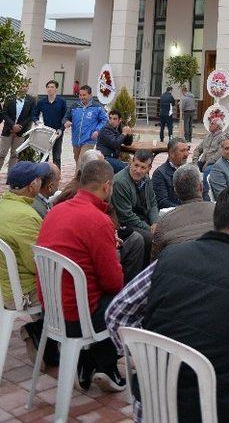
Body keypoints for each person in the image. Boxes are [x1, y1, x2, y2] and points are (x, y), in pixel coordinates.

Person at [106, 185, 229, 423]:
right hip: (210, 410)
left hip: (152, 403)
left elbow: (116, 312)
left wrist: (143, 357)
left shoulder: (170, 257)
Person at [37, 159, 126, 391]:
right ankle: (106, 364)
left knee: (99, 294)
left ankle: (89, 362)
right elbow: (113, 283)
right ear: (107, 186)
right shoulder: (98, 221)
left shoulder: (55, 211)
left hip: (51, 310)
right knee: (128, 301)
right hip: (77, 317)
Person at [54, 149, 146, 285]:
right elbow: (112, 283)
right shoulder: (78, 200)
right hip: (81, 294)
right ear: (106, 185)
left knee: (136, 238)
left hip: (54, 290)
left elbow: (111, 214)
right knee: (137, 241)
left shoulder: (59, 209)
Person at [0, 161, 49, 306]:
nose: (42, 182)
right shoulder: (27, 216)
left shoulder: (4, 205)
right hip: (22, 291)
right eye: (40, 179)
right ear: (32, 186)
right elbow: (37, 264)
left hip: (5, 285)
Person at [150, 164, 215, 261]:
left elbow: (155, 262)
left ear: (176, 191)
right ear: (201, 187)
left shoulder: (164, 222)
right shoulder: (221, 212)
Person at [111, 150, 159, 264]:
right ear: (131, 162)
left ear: (149, 168)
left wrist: (155, 223)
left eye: (143, 167)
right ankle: (144, 273)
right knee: (151, 239)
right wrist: (149, 229)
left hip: (142, 219)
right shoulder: (120, 182)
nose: (138, 170)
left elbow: (152, 203)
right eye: (136, 165)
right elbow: (126, 216)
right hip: (124, 224)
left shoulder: (146, 178)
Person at [64, 84, 109, 164]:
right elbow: (65, 118)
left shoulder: (97, 107)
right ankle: (83, 175)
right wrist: (66, 122)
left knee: (81, 161)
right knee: (78, 161)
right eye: (80, 95)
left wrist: (97, 131)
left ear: (90, 95)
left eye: (84, 95)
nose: (82, 97)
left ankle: (77, 176)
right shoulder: (74, 106)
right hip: (76, 141)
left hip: (89, 140)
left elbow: (104, 120)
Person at [0, 79, 36, 171]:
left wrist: (20, 127)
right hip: (8, 130)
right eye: (21, 86)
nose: (23, 88)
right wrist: (13, 126)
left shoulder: (31, 100)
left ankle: (11, 178)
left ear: (27, 87)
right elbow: (4, 113)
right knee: (1, 154)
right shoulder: (9, 98)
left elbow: (31, 116)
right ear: (17, 87)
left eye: (25, 86)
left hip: (21, 132)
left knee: (15, 155)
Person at [192, 106, 226, 199]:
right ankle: (193, 195)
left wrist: (208, 163)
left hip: (214, 163)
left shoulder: (223, 137)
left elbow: (219, 153)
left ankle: (206, 196)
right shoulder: (208, 136)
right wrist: (195, 162)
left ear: (218, 126)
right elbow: (198, 149)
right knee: (189, 170)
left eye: (212, 124)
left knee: (207, 171)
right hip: (203, 162)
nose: (210, 125)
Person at [33, 79, 67, 167]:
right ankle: (43, 176)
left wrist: (61, 129)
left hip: (57, 132)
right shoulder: (42, 102)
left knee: (57, 156)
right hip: (45, 132)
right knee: (44, 155)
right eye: (48, 87)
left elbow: (65, 117)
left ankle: (57, 176)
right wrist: (36, 122)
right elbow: (34, 114)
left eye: (52, 87)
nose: (49, 89)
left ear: (56, 89)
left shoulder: (62, 102)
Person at [151, 137, 191, 209]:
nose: (186, 154)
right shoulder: (160, 174)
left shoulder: (190, 170)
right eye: (182, 151)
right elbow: (162, 202)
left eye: (187, 150)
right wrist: (184, 209)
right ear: (171, 153)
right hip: (174, 215)